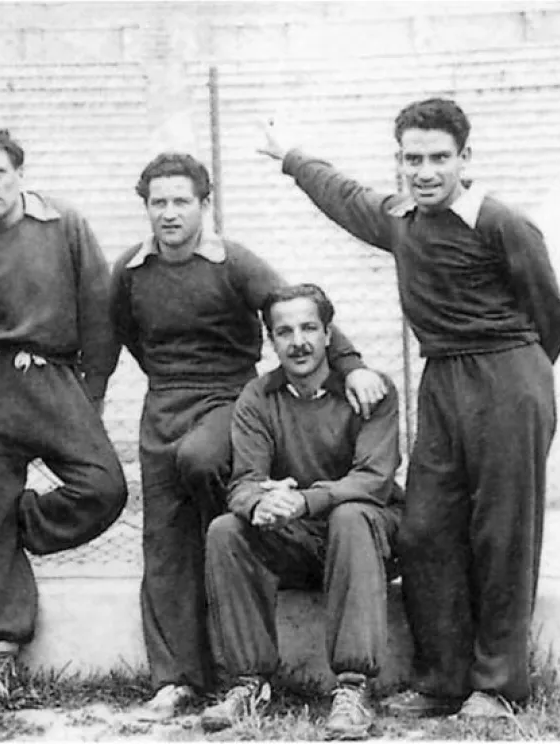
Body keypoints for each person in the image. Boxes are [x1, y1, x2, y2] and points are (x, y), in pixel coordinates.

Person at [258, 98, 560, 718]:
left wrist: (522, 383)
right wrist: (292, 158)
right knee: (427, 530)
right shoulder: (402, 218)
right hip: (442, 380)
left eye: (438, 158)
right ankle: (444, 678)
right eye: (411, 159)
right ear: (399, 161)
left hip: (507, 374)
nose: (424, 171)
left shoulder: (502, 222)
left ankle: (498, 686)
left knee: (502, 532)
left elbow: (552, 313)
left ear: (465, 158)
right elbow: (345, 195)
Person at [109, 152, 389, 721]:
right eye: (157, 202)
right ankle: (180, 678)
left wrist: (353, 362)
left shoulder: (232, 261)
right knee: (167, 540)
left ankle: (266, 600)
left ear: (204, 206)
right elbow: (123, 335)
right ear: (145, 208)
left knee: (205, 465)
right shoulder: (130, 271)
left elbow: (296, 312)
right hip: (163, 402)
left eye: (181, 200)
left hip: (226, 396)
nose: (169, 213)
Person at [0, 129, 128, 708]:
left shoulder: (65, 225)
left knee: (104, 486)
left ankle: (21, 525)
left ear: (18, 173)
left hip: (55, 377)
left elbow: (99, 310)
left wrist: (93, 388)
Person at [200, 283, 404, 739]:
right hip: (297, 535)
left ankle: (353, 688)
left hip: (369, 537)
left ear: (329, 333)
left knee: (349, 515)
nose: (299, 342)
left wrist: (305, 500)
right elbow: (243, 482)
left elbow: (374, 480)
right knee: (225, 530)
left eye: (310, 327)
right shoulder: (258, 396)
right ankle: (249, 682)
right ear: (271, 341)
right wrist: (261, 502)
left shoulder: (370, 391)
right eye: (285, 331)